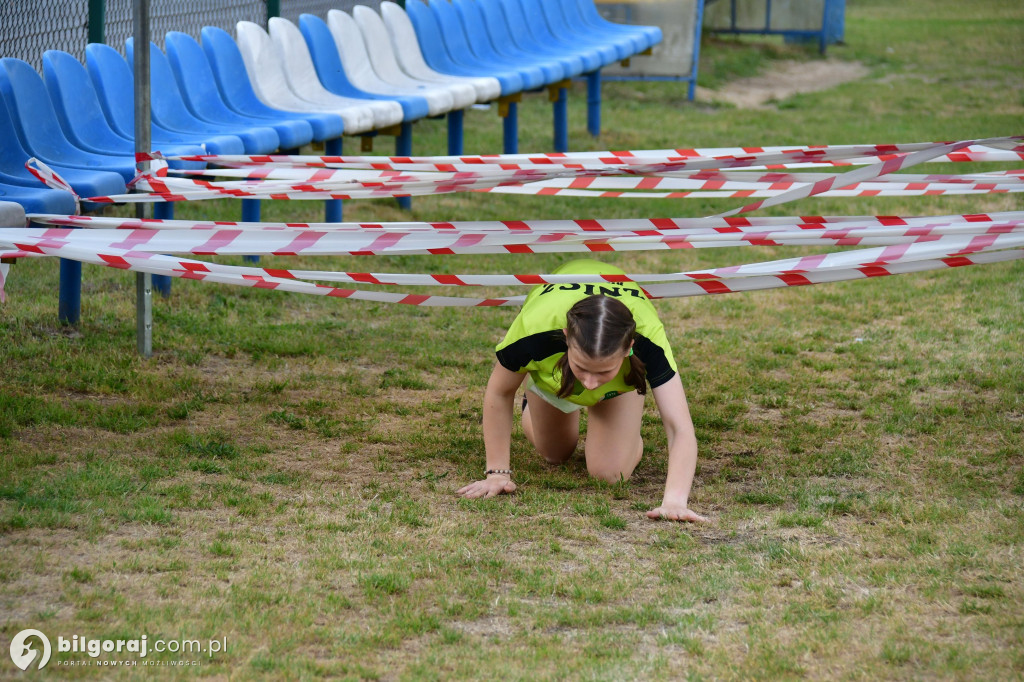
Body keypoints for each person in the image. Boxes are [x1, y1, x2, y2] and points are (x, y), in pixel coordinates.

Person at [457, 259, 707, 523]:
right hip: (556, 374)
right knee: (554, 453)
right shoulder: (535, 330)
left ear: (629, 347)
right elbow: (499, 392)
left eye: (602, 372)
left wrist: (675, 501)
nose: (589, 382)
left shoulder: (650, 341)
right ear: (566, 337)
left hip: (618, 389)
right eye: (583, 367)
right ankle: (538, 398)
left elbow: (679, 426)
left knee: (610, 474)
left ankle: (625, 431)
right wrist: (497, 473)